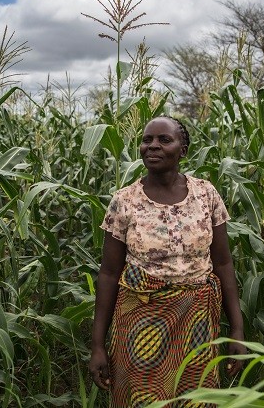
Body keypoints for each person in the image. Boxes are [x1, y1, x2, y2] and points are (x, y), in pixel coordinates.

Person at [89, 115, 246, 406]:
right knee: (141, 398)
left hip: (196, 321)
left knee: (196, 398)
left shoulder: (206, 194)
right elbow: (109, 274)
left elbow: (223, 263)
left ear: (183, 150)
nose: (153, 146)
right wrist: (98, 345)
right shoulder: (125, 201)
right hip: (140, 322)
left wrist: (237, 330)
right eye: (147, 140)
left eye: (164, 140)